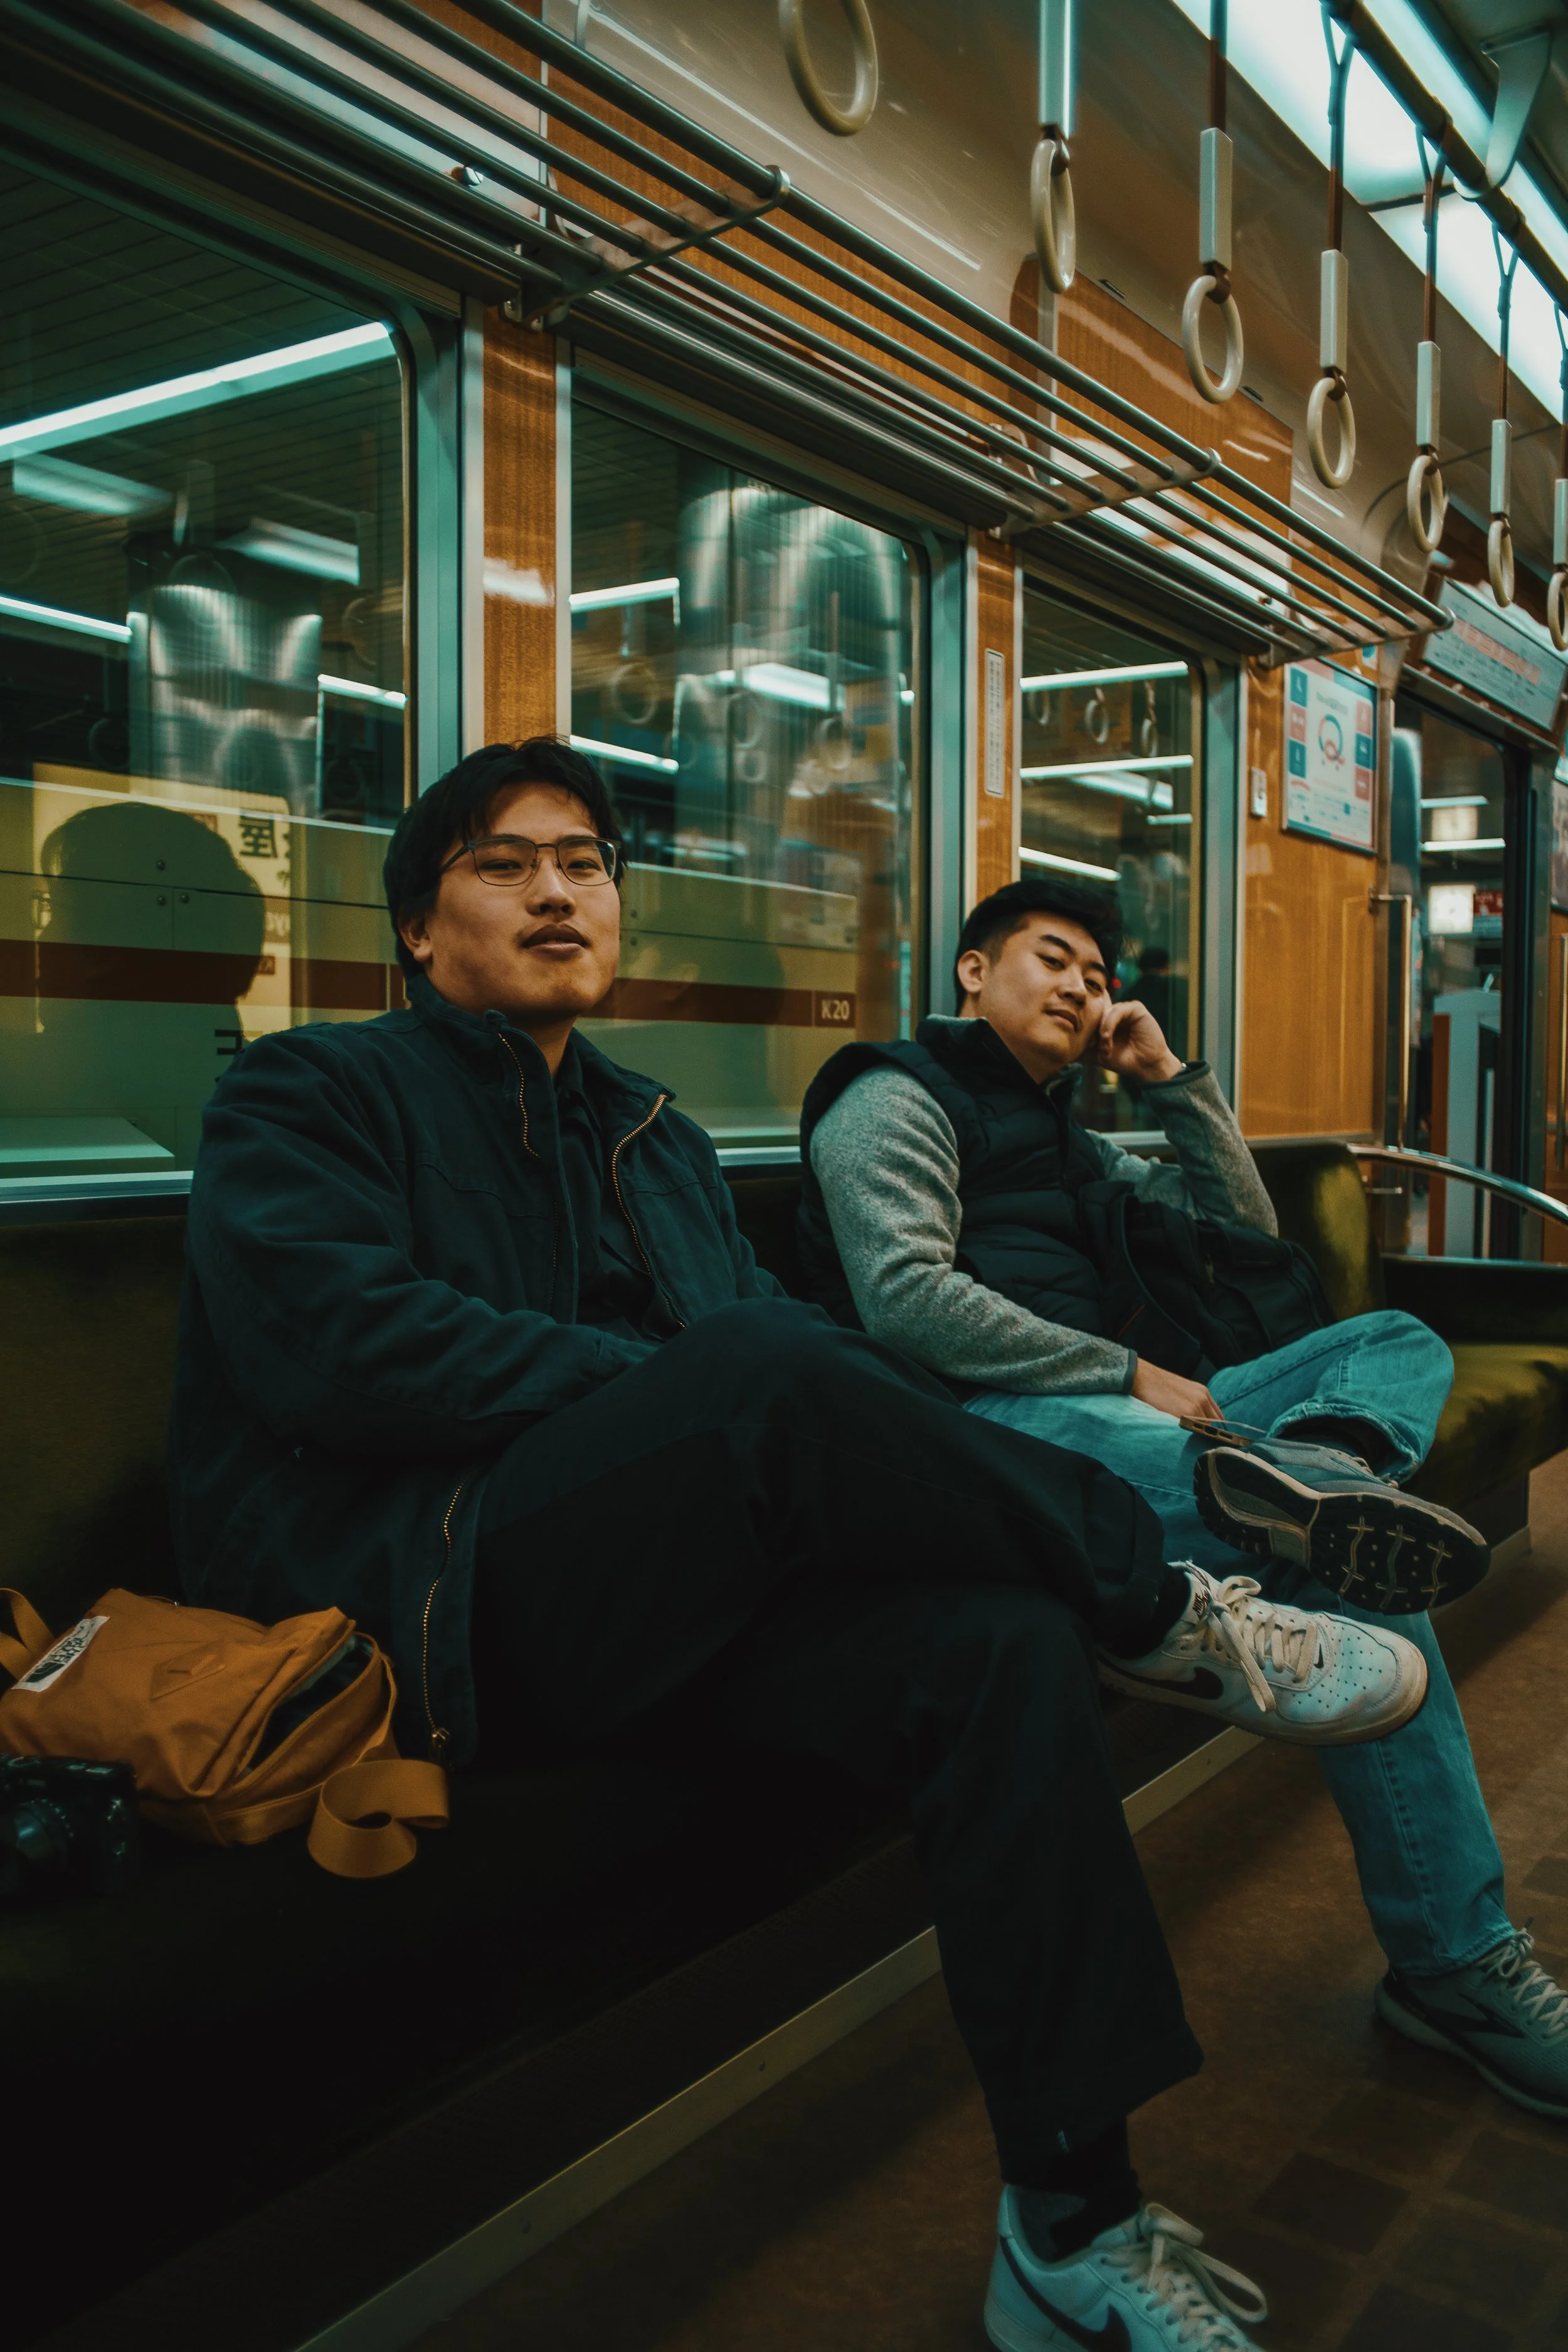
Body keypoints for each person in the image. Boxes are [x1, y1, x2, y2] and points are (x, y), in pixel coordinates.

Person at [172, 746, 1420, 2352]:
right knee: (764, 1370)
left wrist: (729, 1402)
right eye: (505, 864)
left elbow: (760, 1378)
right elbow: (339, 1352)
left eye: (588, 860)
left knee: (994, 1646)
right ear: (418, 929)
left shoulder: (657, 1141)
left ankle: (1071, 2220)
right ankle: (1171, 1605)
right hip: (435, 1601)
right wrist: (682, 1395)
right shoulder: (310, 1095)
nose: (560, 889)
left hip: (658, 1594)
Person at [800, 875, 1568, 2134]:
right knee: (1352, 1575)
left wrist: (1168, 1081)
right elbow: (904, 1302)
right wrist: (1125, 1371)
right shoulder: (892, 1096)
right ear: (969, 972)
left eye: (1097, 978)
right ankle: (1451, 1967)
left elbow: (1243, 1234)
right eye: (1050, 960)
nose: (1079, 989)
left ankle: (1308, 1478)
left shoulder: (1068, 1138)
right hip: (988, 1432)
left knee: (1390, 1335)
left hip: (1161, 1420)